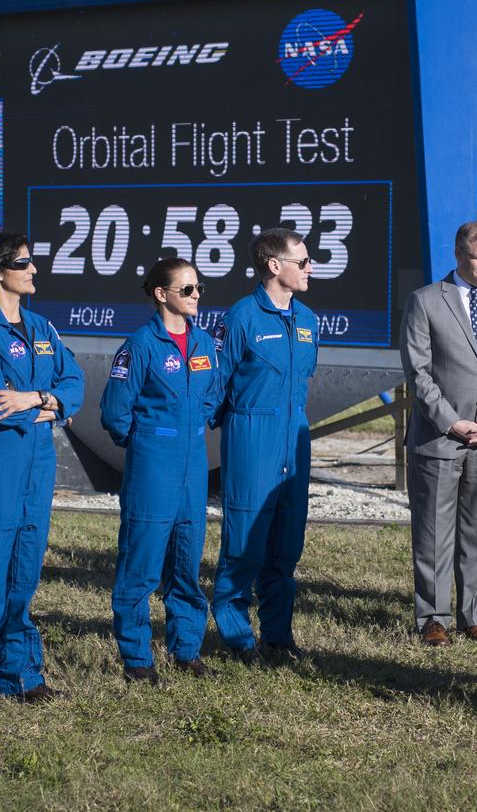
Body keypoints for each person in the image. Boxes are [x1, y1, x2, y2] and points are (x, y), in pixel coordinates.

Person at [0, 232, 84, 714]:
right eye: (24, 263)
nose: (34, 271)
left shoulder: (42, 328)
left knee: (24, 569)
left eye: (33, 262)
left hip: (37, 463)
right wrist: (45, 402)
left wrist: (40, 398)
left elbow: (74, 383)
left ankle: (20, 673)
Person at [399, 221, 477, 647]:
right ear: (458, 256)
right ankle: (433, 616)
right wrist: (452, 421)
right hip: (440, 438)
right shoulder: (425, 302)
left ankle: (472, 614)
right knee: (434, 532)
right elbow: (418, 375)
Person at [100, 258, 223, 684]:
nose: (196, 296)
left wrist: (190, 428)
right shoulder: (139, 347)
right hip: (153, 463)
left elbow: (213, 395)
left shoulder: (204, 343)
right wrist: (150, 440)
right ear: (161, 294)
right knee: (142, 564)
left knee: (187, 561)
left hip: (193, 463)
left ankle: (186, 648)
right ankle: (136, 658)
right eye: (187, 289)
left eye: (198, 288)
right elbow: (115, 412)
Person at [211, 228, 319, 665]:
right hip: (252, 433)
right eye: (304, 262)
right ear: (276, 266)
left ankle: (278, 634)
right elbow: (217, 382)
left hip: (294, 436)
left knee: (287, 542)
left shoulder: (309, 320)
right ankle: (237, 635)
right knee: (245, 540)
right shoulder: (241, 318)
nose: (311, 268)